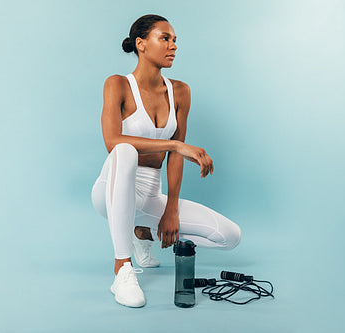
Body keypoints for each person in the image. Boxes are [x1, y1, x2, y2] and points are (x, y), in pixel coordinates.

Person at [91, 14, 241, 308]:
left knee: (230, 236)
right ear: (141, 44)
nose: (173, 46)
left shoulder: (180, 91)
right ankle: (122, 267)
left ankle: (139, 229)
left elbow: (175, 156)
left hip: (150, 194)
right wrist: (176, 143)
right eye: (165, 38)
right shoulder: (118, 84)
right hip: (110, 189)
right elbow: (112, 141)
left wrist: (171, 208)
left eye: (175, 40)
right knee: (124, 150)